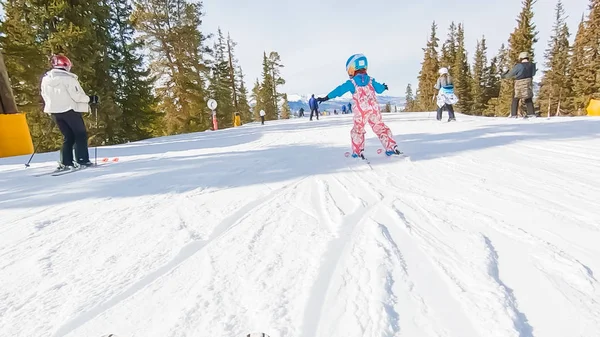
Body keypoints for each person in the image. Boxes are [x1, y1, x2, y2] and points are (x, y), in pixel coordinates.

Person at [317, 53, 401, 158]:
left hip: (361, 111)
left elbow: (339, 90)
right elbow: (379, 89)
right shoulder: (371, 80)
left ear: (354, 68)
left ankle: (357, 152)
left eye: (350, 70)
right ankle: (392, 147)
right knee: (380, 127)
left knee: (358, 130)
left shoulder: (352, 83)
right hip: (374, 109)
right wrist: (384, 87)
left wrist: (326, 97)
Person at [40, 54, 98, 170]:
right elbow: (76, 96)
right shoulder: (68, 79)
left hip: (55, 112)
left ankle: (66, 162)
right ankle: (82, 160)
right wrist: (90, 99)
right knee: (80, 135)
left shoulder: (46, 80)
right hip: (70, 110)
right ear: (65, 65)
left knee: (68, 136)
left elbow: (44, 95)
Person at [502, 51, 536, 118]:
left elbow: (511, 74)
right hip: (528, 83)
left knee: (516, 98)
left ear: (521, 58)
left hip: (519, 83)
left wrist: (504, 76)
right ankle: (531, 114)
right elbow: (533, 73)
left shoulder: (519, 66)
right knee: (528, 97)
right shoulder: (532, 65)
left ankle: (513, 114)